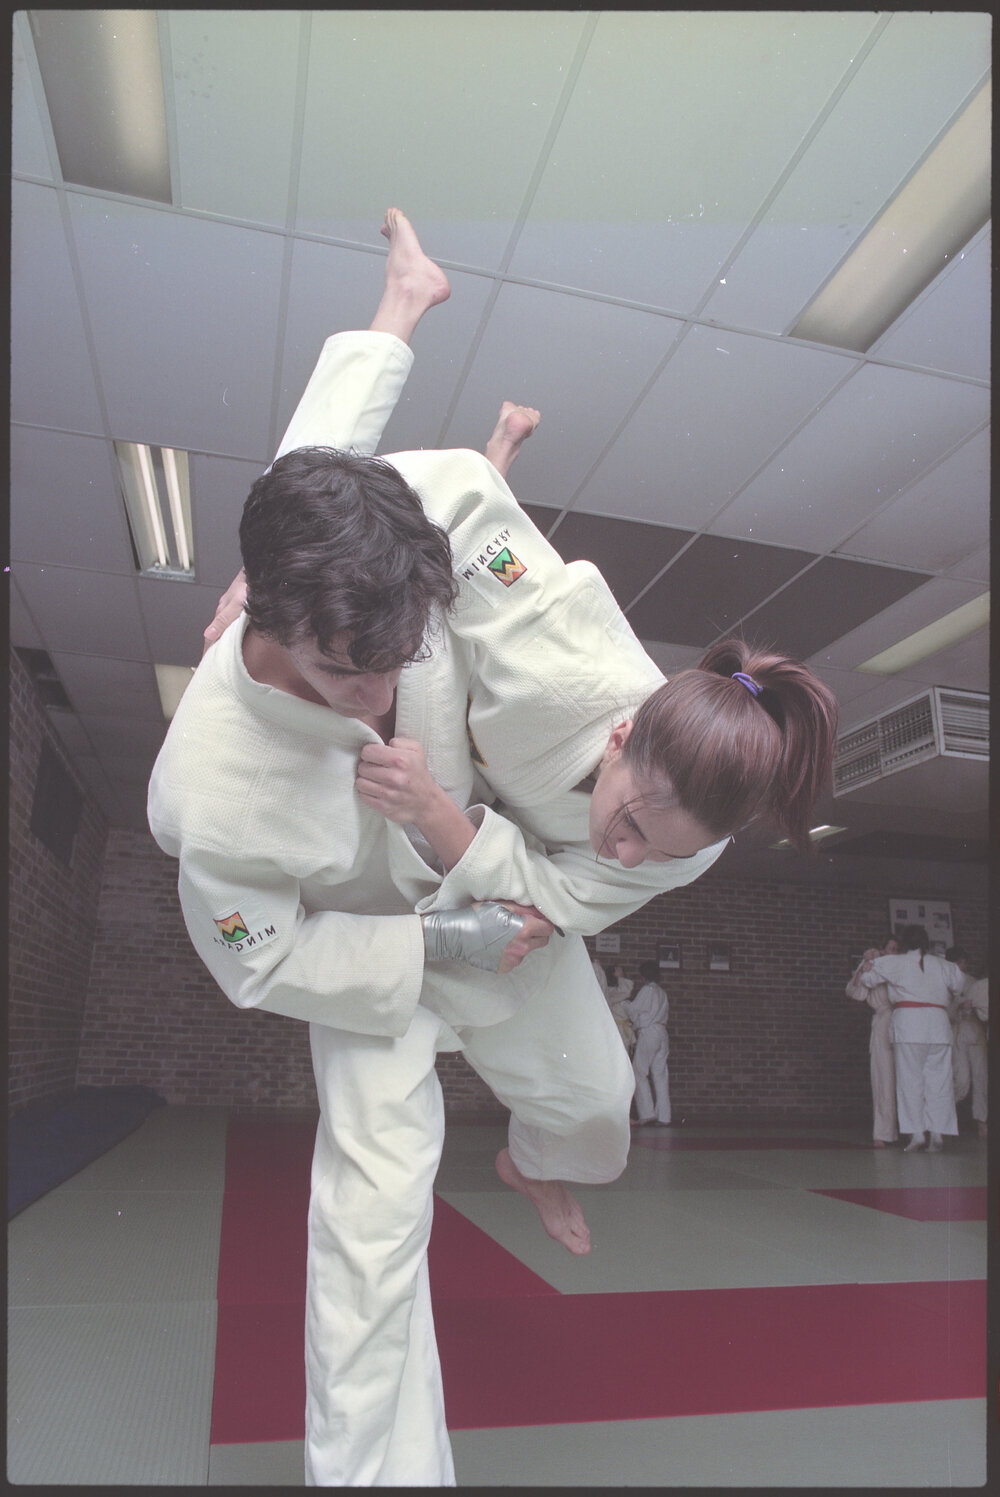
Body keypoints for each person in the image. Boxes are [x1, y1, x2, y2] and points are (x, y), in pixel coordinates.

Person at [183, 207, 839, 1484]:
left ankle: (538, 1166)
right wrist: (279, 590)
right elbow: (369, 498)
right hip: (375, 928)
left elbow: (551, 911)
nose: (640, 848)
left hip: (496, 915)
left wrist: (445, 818)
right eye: (633, 814)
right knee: (369, 1231)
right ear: (626, 723)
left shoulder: (682, 846)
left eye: (668, 849)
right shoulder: (561, 636)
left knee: (595, 1107)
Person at [856, 925, 965, 1153]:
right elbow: (959, 985)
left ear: (905, 944)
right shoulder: (944, 964)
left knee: (910, 1081)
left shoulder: (895, 962)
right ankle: (937, 1133)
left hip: (910, 1026)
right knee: (939, 1081)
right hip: (938, 1025)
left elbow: (867, 979)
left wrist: (867, 965)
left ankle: (917, 1134)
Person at [846, 936, 900, 1147]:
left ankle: (914, 1130)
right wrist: (863, 967)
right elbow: (854, 992)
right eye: (891, 948)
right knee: (883, 1078)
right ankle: (883, 1133)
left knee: (908, 1079)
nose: (894, 953)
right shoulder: (873, 965)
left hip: (906, 1022)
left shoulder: (905, 966)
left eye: (898, 949)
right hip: (883, 1025)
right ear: (881, 949)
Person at [620, 961, 672, 1125]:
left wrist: (623, 1003)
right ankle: (664, 1116)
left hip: (649, 1032)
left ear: (643, 976)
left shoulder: (647, 990)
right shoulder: (662, 992)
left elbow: (634, 1009)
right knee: (660, 1074)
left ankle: (647, 1113)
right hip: (662, 1032)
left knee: (639, 1071)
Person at [945, 946, 988, 1141]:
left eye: (964, 962)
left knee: (981, 1079)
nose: (963, 966)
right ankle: (942, 1116)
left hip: (976, 1034)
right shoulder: (944, 983)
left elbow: (984, 1010)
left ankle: (982, 1121)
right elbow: (946, 1012)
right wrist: (959, 1006)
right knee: (961, 1080)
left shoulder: (975, 983)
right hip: (957, 1035)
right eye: (959, 962)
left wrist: (975, 1005)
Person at [605, 964, 636, 1052]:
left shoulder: (615, 992)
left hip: (621, 1029)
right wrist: (621, 977)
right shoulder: (610, 991)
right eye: (618, 971)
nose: (622, 973)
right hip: (616, 1030)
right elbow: (625, 991)